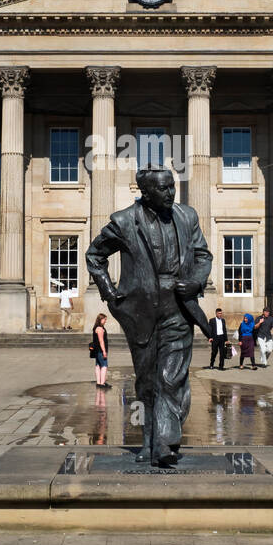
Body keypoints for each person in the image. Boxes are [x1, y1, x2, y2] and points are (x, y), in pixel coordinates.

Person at [86, 165, 213, 468]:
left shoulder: (187, 216)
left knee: (171, 377)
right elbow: (95, 256)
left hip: (179, 309)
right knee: (146, 381)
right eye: (164, 188)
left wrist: (196, 282)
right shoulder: (124, 221)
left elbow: (202, 255)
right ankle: (148, 442)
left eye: (172, 186)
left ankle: (165, 442)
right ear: (146, 192)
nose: (171, 193)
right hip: (140, 313)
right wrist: (110, 293)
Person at [90, 312, 110, 389]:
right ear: (101, 319)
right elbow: (101, 341)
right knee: (104, 365)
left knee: (98, 365)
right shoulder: (100, 329)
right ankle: (102, 383)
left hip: (96, 350)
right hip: (100, 350)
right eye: (105, 319)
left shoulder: (95, 328)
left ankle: (99, 382)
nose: (105, 321)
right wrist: (104, 351)